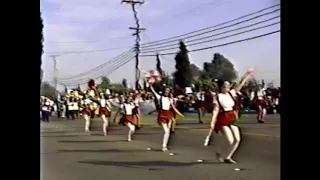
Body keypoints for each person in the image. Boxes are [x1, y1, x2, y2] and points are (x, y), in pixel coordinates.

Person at [206, 68, 254, 164]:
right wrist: (212, 123)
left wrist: (247, 74)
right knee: (230, 140)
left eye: (228, 86)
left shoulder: (231, 93)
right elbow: (216, 110)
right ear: (221, 87)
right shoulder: (218, 96)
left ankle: (228, 157)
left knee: (237, 139)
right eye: (225, 86)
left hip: (231, 117)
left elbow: (240, 84)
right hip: (223, 118)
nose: (227, 87)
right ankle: (219, 152)